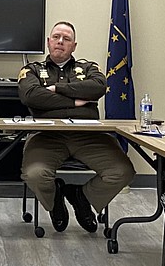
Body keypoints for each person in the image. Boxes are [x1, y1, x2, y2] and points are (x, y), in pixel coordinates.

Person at [18, 21, 136, 233]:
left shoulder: (88, 67)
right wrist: (75, 101)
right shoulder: (32, 70)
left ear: (74, 46)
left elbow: (98, 87)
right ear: (48, 42)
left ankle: (82, 197)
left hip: (90, 136)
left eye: (67, 39)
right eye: (56, 37)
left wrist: (56, 89)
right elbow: (31, 96)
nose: (60, 42)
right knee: (35, 175)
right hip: (47, 136)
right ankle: (55, 202)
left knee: (122, 171)